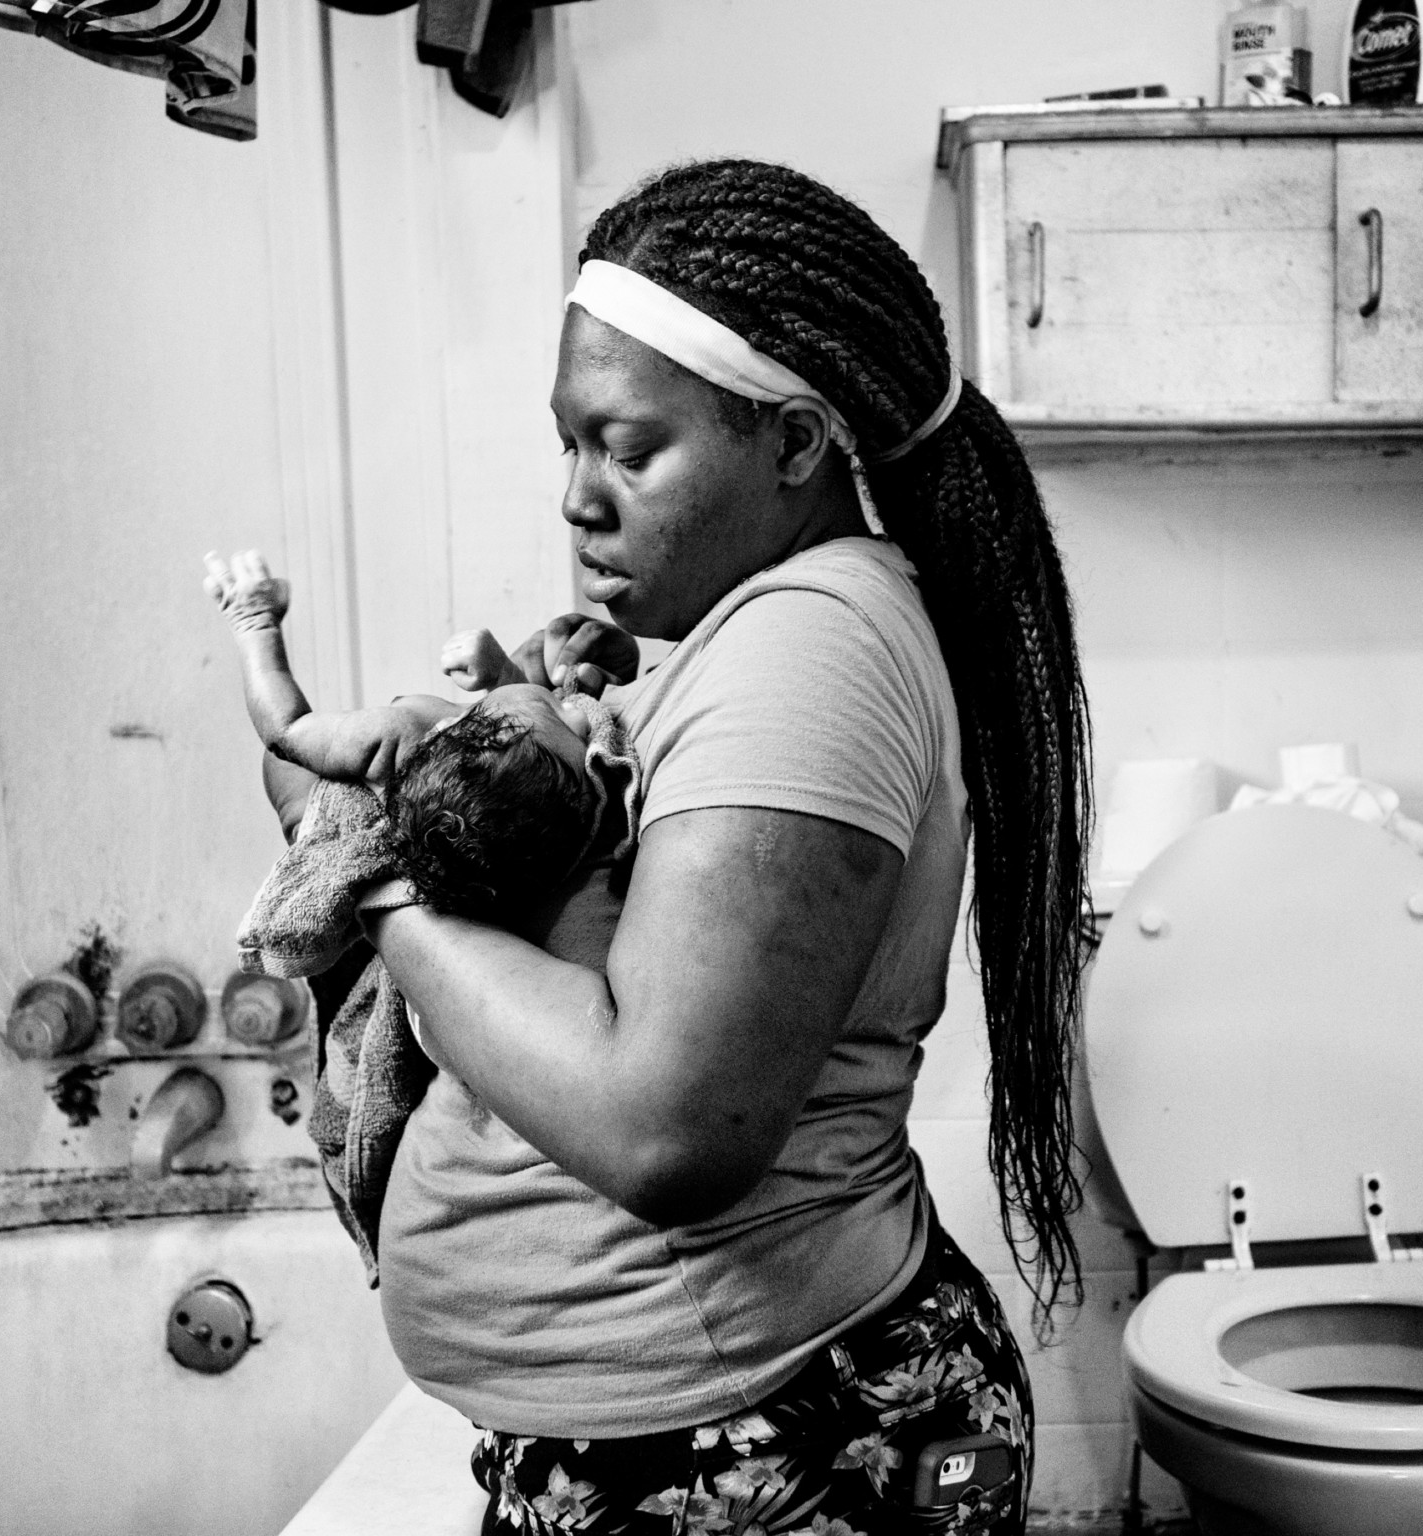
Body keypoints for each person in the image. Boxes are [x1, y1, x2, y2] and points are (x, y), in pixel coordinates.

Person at [277, 159, 1091, 1535]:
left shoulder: (810, 646)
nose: (577, 500)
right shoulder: (762, 629)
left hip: (766, 1439)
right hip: (698, 1422)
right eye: (569, 446)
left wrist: (382, 874)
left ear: (794, 444)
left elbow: (666, 1129)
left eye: (628, 448)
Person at [205, 547, 622, 922]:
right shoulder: (433, 737)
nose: (583, 715)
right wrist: (500, 672)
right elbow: (521, 718)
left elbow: (288, 731)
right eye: (559, 711)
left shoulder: (399, 739)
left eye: (561, 716)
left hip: (322, 803)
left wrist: (255, 626)